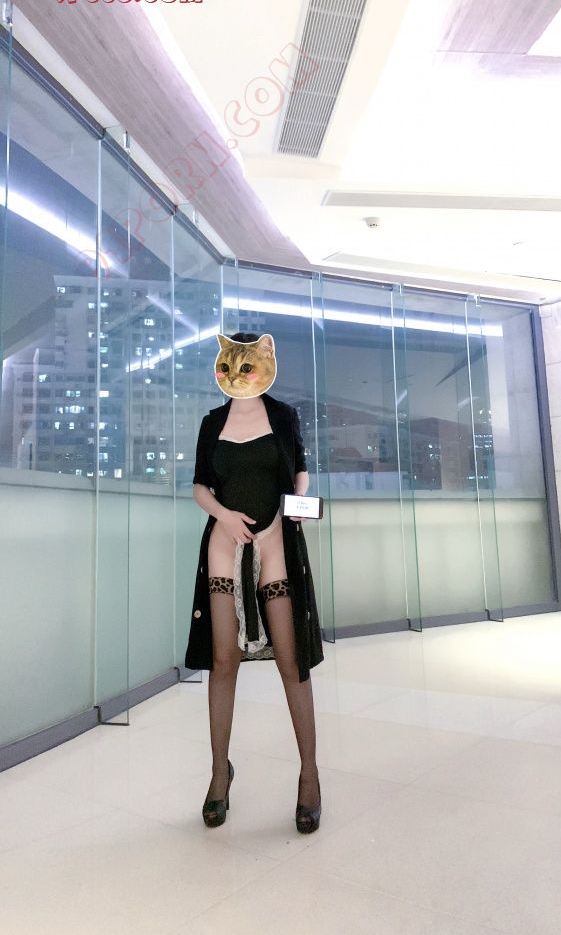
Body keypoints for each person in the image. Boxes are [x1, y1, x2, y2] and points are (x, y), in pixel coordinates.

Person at [185, 331, 324, 833]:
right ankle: (219, 773)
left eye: (245, 367)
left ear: (266, 361)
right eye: (228, 367)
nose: (235, 375)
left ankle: (309, 774)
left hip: (275, 538)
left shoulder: (283, 416)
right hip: (225, 540)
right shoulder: (212, 422)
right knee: (223, 661)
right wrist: (223, 515)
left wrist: (291, 510)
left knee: (291, 660)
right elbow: (200, 486)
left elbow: (300, 471)